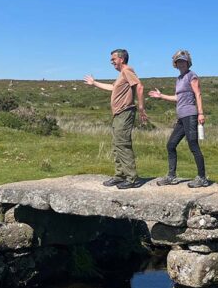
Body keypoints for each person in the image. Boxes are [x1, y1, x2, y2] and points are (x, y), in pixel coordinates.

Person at [84, 48, 148, 189]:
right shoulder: (121, 75)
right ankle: (120, 176)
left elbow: (140, 87)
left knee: (122, 144)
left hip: (125, 112)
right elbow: (112, 88)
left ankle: (132, 178)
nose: (111, 61)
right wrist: (94, 83)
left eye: (113, 59)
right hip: (118, 114)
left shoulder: (127, 70)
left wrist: (142, 108)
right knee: (116, 144)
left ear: (122, 59)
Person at [148, 50, 210, 188]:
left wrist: (200, 113)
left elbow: (198, 94)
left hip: (191, 114)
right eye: (178, 61)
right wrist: (161, 96)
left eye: (183, 61)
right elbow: (178, 98)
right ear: (175, 64)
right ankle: (171, 176)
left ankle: (202, 178)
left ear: (188, 62)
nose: (181, 63)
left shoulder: (191, 76)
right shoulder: (179, 79)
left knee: (193, 145)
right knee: (171, 145)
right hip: (181, 117)